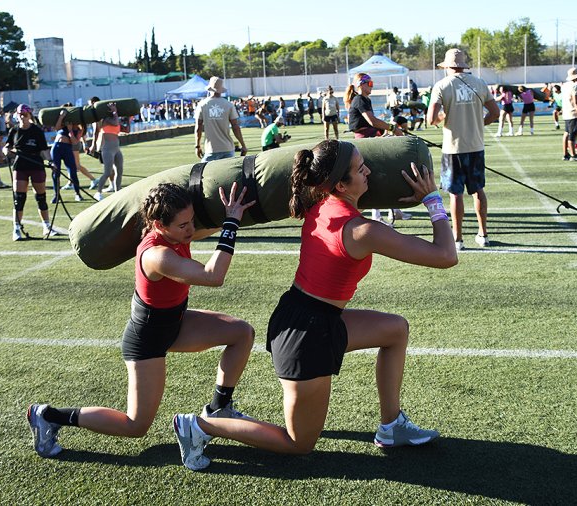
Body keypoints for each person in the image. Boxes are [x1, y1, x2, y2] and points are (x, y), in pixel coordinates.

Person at [172, 140, 458, 471]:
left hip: (312, 317)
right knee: (299, 442)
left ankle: (392, 426)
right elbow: (445, 256)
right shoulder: (362, 230)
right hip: (304, 338)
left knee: (395, 329)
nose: (369, 171)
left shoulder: (319, 200)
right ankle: (198, 425)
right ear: (340, 184)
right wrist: (432, 199)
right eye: (360, 168)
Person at [27, 182, 257, 458]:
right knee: (136, 425)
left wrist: (233, 215)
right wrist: (230, 224)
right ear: (159, 225)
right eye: (183, 225)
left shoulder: (175, 235)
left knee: (241, 333)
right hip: (147, 339)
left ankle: (220, 408)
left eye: (192, 220)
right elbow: (213, 276)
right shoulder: (157, 255)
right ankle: (49, 416)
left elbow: (202, 231)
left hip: (176, 322)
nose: (191, 229)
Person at [427, 48, 499, 250]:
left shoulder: (442, 85)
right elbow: (495, 112)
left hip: (453, 147)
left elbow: (431, 119)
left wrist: (444, 116)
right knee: (478, 191)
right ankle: (483, 234)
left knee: (455, 194)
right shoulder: (480, 82)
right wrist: (479, 123)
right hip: (476, 145)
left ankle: (458, 239)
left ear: (447, 67)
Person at [344, 72, 406, 224]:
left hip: (369, 139)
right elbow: (371, 121)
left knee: (378, 174)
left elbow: (372, 124)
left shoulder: (365, 100)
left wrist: (384, 131)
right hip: (365, 141)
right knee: (373, 177)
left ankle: (393, 211)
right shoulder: (359, 99)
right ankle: (377, 216)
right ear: (361, 85)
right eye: (369, 83)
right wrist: (393, 128)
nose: (372, 86)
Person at [3, 104, 56, 241]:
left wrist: (51, 161)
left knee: (41, 197)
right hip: (20, 166)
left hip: (36, 165)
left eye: (25, 114)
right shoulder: (13, 131)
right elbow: (7, 146)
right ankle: (16, 228)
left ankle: (47, 226)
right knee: (19, 199)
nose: (22, 117)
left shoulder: (37, 131)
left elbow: (44, 150)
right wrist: (6, 150)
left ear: (29, 115)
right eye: (20, 114)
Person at [194, 76, 248, 162]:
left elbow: (198, 127)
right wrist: (243, 145)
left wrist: (197, 146)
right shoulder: (228, 105)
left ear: (209, 89)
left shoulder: (202, 105)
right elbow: (235, 127)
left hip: (211, 149)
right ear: (221, 90)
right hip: (227, 148)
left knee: (205, 174)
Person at [49, 110, 84, 203]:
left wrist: (70, 131)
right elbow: (56, 128)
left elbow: (75, 142)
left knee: (73, 172)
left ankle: (77, 194)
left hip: (67, 149)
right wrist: (61, 117)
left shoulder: (79, 129)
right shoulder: (64, 124)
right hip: (56, 148)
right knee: (56, 172)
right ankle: (56, 195)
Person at [92, 102, 124, 202]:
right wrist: (115, 111)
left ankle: (117, 191)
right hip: (107, 149)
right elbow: (115, 122)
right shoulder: (105, 120)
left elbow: (122, 127)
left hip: (116, 148)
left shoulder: (115, 117)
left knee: (120, 171)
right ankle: (98, 192)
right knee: (107, 172)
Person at [560, 67, 577, 162]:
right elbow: (576, 101)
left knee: (566, 133)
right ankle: (573, 155)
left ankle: (565, 154)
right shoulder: (575, 86)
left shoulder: (565, 86)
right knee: (573, 134)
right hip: (573, 112)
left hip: (567, 112)